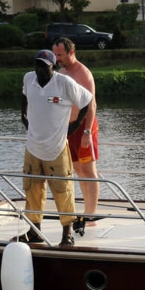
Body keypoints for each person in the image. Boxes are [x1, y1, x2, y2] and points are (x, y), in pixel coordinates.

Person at [16, 49, 92, 246]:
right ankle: (34, 231)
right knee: (32, 189)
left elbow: (87, 100)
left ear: (53, 66)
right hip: (32, 146)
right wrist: (23, 115)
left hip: (56, 147)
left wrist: (75, 127)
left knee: (63, 190)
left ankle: (67, 233)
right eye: (37, 64)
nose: (39, 69)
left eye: (44, 65)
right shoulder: (28, 78)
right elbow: (25, 95)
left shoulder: (63, 83)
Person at [53, 37, 99, 227]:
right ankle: (86, 211)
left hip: (84, 127)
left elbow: (91, 104)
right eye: (55, 54)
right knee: (78, 169)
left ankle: (91, 215)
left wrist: (87, 131)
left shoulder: (83, 73)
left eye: (60, 55)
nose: (57, 59)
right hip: (67, 127)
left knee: (88, 170)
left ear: (71, 52)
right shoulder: (62, 72)